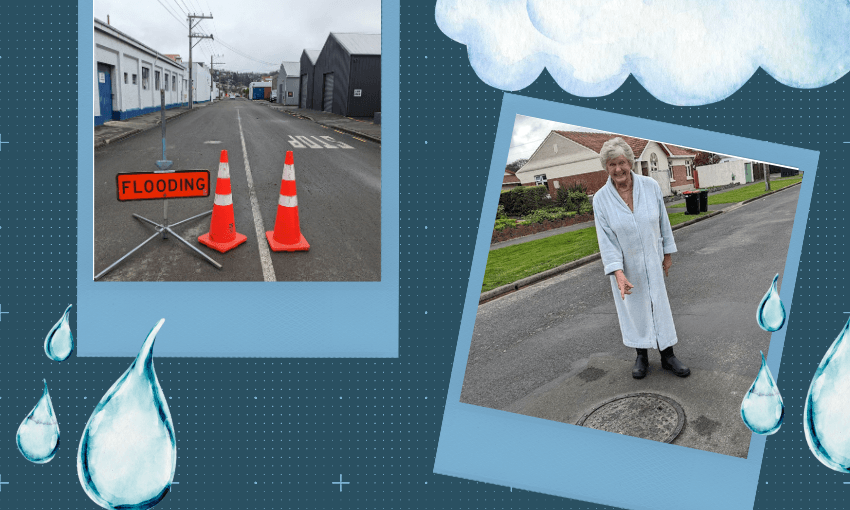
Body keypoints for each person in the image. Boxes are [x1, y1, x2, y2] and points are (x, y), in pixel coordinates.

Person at [592, 137, 690, 379]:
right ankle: (641, 356)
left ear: (630, 162)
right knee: (634, 310)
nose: (618, 169)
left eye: (622, 163)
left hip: (653, 260)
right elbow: (606, 241)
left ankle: (668, 355)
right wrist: (618, 272)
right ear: (606, 167)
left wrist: (667, 254)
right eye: (611, 164)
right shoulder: (601, 200)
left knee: (659, 305)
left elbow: (662, 223)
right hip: (626, 267)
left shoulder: (650, 187)